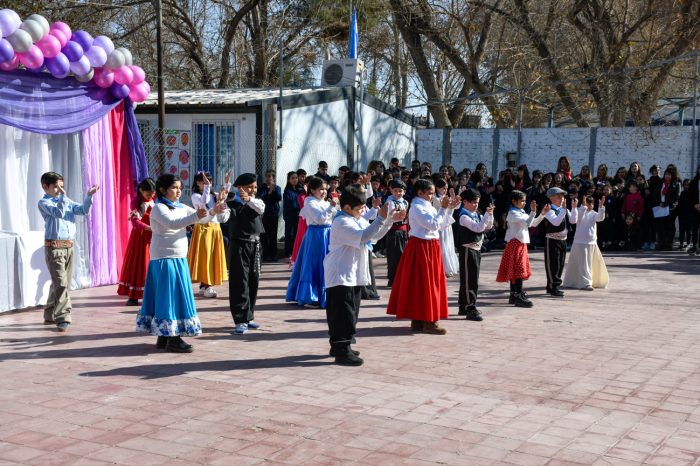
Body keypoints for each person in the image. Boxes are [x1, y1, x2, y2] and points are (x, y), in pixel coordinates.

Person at [136, 174, 221, 352]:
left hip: (179, 257)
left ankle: (164, 336)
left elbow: (202, 219)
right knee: (169, 298)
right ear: (162, 190)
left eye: (180, 187)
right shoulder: (159, 208)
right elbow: (173, 223)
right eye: (174, 187)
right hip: (164, 258)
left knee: (168, 297)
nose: (178, 191)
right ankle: (173, 339)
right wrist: (196, 216)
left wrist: (213, 211)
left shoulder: (180, 206)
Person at [324, 185, 405, 366]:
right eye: (359, 208)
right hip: (340, 274)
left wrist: (390, 220)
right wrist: (382, 217)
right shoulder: (341, 221)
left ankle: (342, 345)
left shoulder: (356, 219)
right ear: (346, 208)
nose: (362, 212)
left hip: (353, 273)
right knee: (342, 313)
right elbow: (363, 236)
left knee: (351, 311)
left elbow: (373, 237)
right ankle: (341, 349)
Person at [387, 179, 461, 335]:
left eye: (433, 193)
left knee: (424, 283)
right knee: (426, 283)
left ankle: (420, 318)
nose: (432, 196)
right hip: (421, 246)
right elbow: (433, 225)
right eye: (430, 193)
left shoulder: (427, 206)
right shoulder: (416, 207)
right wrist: (443, 208)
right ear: (420, 193)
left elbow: (441, 225)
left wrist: (449, 209)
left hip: (429, 246)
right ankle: (428, 320)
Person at [38, 172, 99, 332]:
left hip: (69, 247)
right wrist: (63, 198)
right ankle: (63, 317)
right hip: (54, 247)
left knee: (60, 283)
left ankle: (50, 312)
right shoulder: (44, 202)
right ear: (46, 187)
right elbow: (58, 212)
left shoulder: (65, 199)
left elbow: (82, 210)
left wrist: (89, 196)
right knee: (61, 283)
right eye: (56, 186)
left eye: (61, 186)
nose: (60, 190)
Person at [286, 176, 337, 308]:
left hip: (328, 234)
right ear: (312, 190)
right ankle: (311, 296)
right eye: (321, 189)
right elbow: (319, 219)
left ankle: (327, 294)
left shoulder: (326, 203)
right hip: (316, 235)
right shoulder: (309, 202)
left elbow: (335, 217)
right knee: (314, 264)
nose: (324, 192)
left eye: (325, 189)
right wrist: (331, 208)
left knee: (327, 264)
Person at [228, 173, 266, 334]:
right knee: (239, 281)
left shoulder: (256, 202)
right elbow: (223, 215)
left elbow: (261, 208)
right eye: (249, 187)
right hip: (239, 244)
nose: (253, 190)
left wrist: (249, 199)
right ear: (240, 187)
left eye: (255, 187)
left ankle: (249, 316)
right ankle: (240, 319)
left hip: (255, 244)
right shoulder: (232, 202)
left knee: (253, 279)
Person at [188, 171, 231, 298]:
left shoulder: (215, 194)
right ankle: (206, 285)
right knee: (205, 256)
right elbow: (203, 203)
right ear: (197, 183)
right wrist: (207, 188)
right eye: (204, 181)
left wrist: (227, 183)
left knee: (212, 256)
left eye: (209, 181)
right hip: (203, 228)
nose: (208, 183)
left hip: (215, 228)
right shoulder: (195, 196)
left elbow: (223, 196)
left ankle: (204, 285)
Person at [496, 190, 539, 308]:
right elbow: (527, 223)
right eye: (522, 201)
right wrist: (533, 212)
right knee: (518, 269)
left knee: (518, 268)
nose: (524, 203)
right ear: (514, 201)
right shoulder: (513, 213)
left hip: (521, 243)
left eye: (525, 200)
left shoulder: (520, 212)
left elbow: (533, 223)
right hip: (515, 243)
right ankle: (517, 294)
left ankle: (514, 294)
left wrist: (542, 214)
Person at [117, 178, 156, 306]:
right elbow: (134, 221)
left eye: (152, 193)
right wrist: (147, 227)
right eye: (148, 193)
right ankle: (134, 295)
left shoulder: (155, 200)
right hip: (140, 237)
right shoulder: (136, 202)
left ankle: (150, 294)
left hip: (154, 236)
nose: (151, 195)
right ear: (141, 190)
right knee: (139, 263)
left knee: (152, 263)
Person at [457, 188, 494, 321]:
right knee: (469, 280)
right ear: (465, 202)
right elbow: (478, 228)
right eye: (473, 202)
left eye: (477, 202)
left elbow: (488, 227)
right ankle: (470, 307)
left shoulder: (476, 214)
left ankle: (463, 306)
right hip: (468, 250)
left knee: (471, 279)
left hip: (476, 250)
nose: (476, 205)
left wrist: (489, 215)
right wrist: (485, 217)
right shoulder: (463, 216)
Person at [563, 195, 609, 290]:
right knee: (583, 264)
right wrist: (582, 207)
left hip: (592, 243)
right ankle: (586, 283)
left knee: (591, 264)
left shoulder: (593, 213)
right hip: (580, 242)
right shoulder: (579, 211)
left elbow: (600, 218)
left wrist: (601, 207)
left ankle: (592, 281)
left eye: (591, 204)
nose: (590, 206)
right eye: (588, 203)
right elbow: (574, 219)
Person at [540, 187, 570, 297]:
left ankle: (551, 286)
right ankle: (554, 287)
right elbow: (556, 222)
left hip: (563, 240)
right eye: (559, 197)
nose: (562, 199)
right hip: (552, 240)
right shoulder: (549, 210)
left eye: (563, 197)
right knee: (553, 264)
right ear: (551, 198)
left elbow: (573, 220)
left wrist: (576, 209)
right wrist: (563, 210)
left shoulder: (564, 209)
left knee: (560, 265)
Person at [431, 178, 460, 277]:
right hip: (440, 222)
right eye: (443, 188)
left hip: (447, 223)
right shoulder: (434, 198)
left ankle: (448, 267)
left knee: (448, 244)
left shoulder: (445, 197)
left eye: (446, 188)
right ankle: (441, 267)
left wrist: (454, 197)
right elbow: (442, 207)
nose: (445, 190)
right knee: (442, 244)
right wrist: (449, 203)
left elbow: (456, 206)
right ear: (437, 188)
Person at [384, 179, 409, 286]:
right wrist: (399, 216)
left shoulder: (405, 202)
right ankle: (393, 278)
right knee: (394, 255)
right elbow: (389, 217)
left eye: (400, 190)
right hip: (394, 231)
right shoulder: (390, 202)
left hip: (404, 231)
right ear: (391, 190)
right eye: (395, 190)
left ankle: (402, 277)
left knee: (403, 255)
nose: (398, 193)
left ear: (404, 191)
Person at [653, 167, 680, 251]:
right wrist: (659, 202)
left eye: (669, 175)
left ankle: (668, 244)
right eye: (666, 174)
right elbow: (655, 194)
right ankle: (661, 243)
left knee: (670, 227)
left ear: (673, 175)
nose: (667, 176)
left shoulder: (676, 184)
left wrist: (666, 203)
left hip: (670, 208)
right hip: (660, 207)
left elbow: (676, 196)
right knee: (660, 227)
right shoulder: (661, 183)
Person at [259, 169, 282, 262]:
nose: (268, 178)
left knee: (273, 236)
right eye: (267, 176)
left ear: (273, 178)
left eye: (270, 176)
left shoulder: (277, 188)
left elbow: (278, 197)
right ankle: (265, 255)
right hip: (264, 215)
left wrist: (273, 190)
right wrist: (269, 192)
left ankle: (273, 255)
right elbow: (261, 197)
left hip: (273, 214)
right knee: (264, 236)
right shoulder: (262, 187)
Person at [290, 169, 309, 265]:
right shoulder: (302, 196)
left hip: (312, 223)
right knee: (302, 240)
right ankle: (299, 260)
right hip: (304, 221)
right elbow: (304, 205)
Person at [282, 171, 301, 258]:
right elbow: (290, 204)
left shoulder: (299, 190)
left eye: (296, 178)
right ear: (289, 180)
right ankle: (288, 253)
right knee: (289, 234)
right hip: (290, 216)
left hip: (298, 216)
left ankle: (295, 251)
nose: (295, 180)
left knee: (296, 234)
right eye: (292, 178)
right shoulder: (287, 191)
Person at [687, 166, 700, 255]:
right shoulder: (694, 181)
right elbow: (690, 196)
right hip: (695, 209)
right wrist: (695, 204)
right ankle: (694, 246)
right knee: (695, 229)